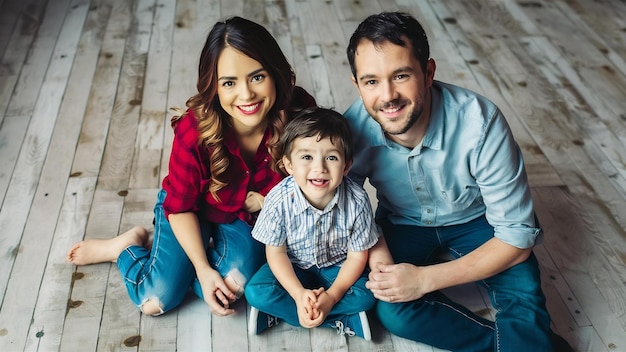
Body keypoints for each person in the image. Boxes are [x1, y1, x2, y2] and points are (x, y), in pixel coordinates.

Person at [343, 12, 570, 351]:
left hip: (481, 221)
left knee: (522, 297)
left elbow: (516, 237)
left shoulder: (481, 123)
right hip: (403, 223)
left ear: (428, 72)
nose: (387, 96)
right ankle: (507, 344)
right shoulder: (352, 127)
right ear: (357, 84)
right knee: (391, 309)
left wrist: (424, 279)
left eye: (401, 75)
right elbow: (345, 204)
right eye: (371, 81)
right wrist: (382, 265)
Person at [66, 16, 315, 317]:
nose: (246, 94)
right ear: (215, 87)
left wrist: (266, 200)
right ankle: (125, 247)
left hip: (242, 216)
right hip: (188, 209)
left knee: (234, 287)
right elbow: (181, 207)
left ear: (274, 74)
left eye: (257, 77)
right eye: (229, 83)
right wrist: (202, 267)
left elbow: (317, 183)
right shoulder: (194, 130)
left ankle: (176, 264)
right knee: (155, 300)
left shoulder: (300, 114)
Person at [245, 107, 380, 340]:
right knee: (256, 292)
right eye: (306, 157)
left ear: (347, 166)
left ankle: (294, 313)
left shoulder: (357, 200)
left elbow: (358, 256)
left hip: (336, 268)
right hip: (294, 265)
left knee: (367, 295)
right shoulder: (279, 199)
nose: (319, 168)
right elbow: (276, 253)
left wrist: (332, 296)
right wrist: (298, 294)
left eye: (331, 157)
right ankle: (337, 317)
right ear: (288, 165)